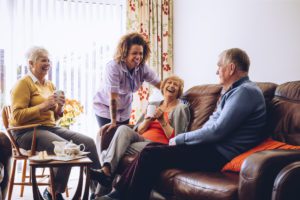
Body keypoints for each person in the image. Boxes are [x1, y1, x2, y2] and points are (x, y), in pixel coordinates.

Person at [97, 48, 267, 200]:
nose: (217, 71)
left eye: (219, 66)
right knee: (150, 151)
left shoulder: (246, 92)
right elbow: (210, 126)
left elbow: (217, 131)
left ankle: (118, 196)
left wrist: (181, 138)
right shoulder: (231, 92)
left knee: (151, 154)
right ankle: (117, 195)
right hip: (209, 148)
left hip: (217, 154)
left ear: (231, 68)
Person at [9, 46, 102, 200]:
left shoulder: (49, 84)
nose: (48, 63)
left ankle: (99, 194)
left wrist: (59, 108)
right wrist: (43, 106)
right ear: (31, 63)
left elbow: (53, 118)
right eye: (43, 60)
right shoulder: (23, 84)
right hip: (26, 132)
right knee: (67, 148)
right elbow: (17, 117)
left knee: (88, 142)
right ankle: (53, 192)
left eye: (49, 60)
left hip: (49, 128)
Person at [90, 75, 190, 189]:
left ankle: (101, 184)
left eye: (175, 84)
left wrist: (162, 120)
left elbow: (177, 138)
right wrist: (148, 120)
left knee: (108, 153)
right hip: (141, 139)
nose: (171, 85)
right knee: (123, 129)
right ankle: (105, 174)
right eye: (169, 83)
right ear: (163, 87)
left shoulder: (181, 108)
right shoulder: (154, 105)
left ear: (179, 91)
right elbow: (138, 130)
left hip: (158, 146)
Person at [93, 32, 161, 133]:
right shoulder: (114, 67)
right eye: (134, 53)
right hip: (106, 107)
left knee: (122, 140)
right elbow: (113, 98)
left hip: (124, 108)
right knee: (109, 138)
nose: (138, 57)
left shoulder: (143, 68)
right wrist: (113, 122)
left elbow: (160, 85)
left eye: (140, 53)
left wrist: (178, 98)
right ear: (125, 53)